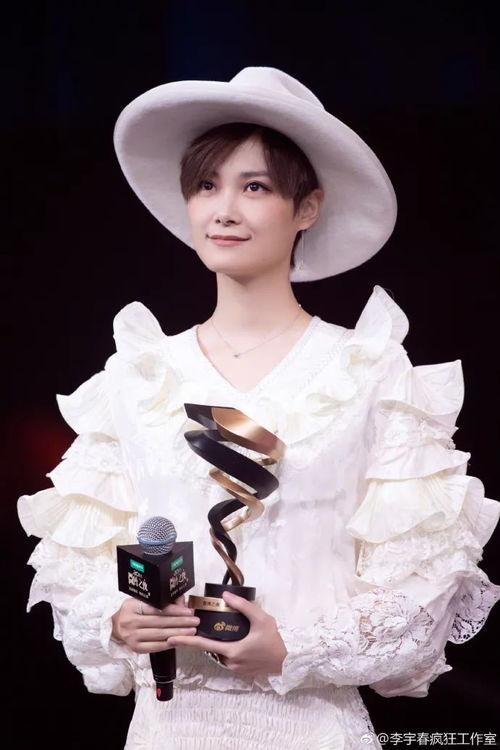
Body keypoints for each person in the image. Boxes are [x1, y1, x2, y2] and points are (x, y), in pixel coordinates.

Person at [18, 67, 500, 750]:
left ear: (307, 207)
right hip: (167, 727)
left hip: (312, 724)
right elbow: (79, 569)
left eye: (256, 187)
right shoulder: (137, 378)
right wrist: (117, 619)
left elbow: (418, 589)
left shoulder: (368, 372)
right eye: (206, 186)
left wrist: (291, 647)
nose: (224, 210)